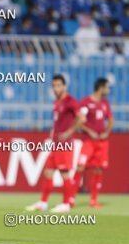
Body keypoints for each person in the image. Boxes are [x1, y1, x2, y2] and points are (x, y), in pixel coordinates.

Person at [26, 74, 83, 213]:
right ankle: (43, 203)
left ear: (64, 86)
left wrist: (69, 133)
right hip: (55, 144)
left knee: (64, 174)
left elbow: (81, 118)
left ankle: (66, 204)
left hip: (65, 144)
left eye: (58, 85)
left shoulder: (70, 101)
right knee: (48, 172)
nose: (55, 88)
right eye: (53, 86)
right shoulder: (56, 102)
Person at [71, 78, 113, 208]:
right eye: (107, 87)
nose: (108, 90)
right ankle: (71, 198)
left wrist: (107, 131)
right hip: (88, 141)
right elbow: (79, 121)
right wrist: (90, 131)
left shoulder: (105, 103)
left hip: (102, 142)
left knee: (99, 169)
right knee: (80, 167)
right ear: (101, 88)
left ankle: (93, 200)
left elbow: (111, 120)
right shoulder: (86, 102)